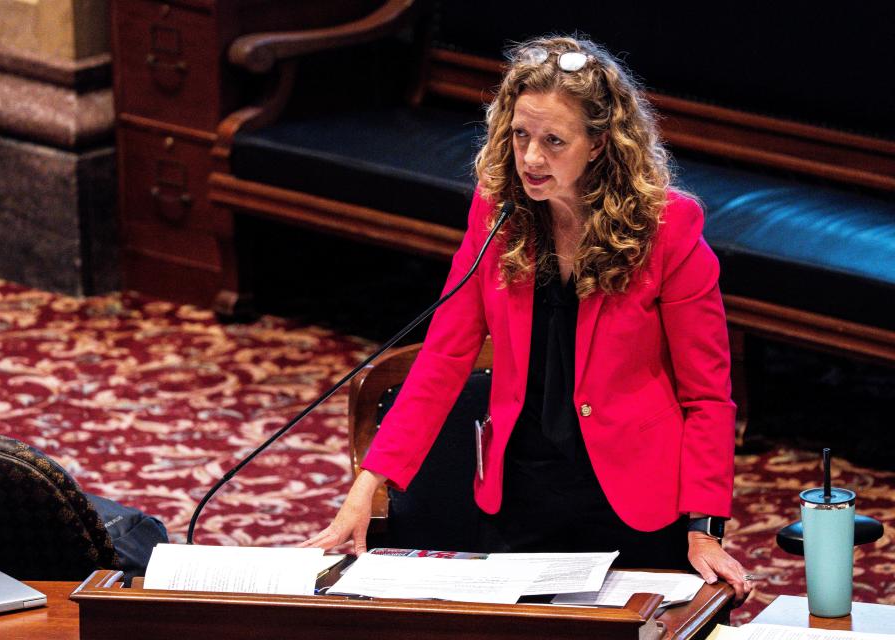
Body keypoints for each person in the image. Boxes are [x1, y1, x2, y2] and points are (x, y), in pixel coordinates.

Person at [302, 35, 754, 601]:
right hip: (522, 490)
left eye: (553, 141)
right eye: (521, 135)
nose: (531, 158)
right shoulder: (499, 216)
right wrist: (367, 484)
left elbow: (708, 397)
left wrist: (703, 527)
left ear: (598, 145)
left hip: (635, 502)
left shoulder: (669, 230)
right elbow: (443, 356)